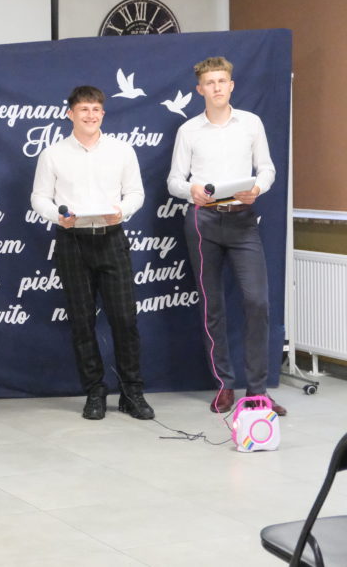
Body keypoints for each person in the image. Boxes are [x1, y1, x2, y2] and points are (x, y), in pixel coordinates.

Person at [167, 57, 284, 416]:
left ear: (231, 85)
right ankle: (224, 385)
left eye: (222, 81)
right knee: (212, 306)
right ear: (200, 89)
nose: (216, 87)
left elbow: (267, 168)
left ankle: (258, 391)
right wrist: (191, 190)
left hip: (242, 220)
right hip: (203, 221)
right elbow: (174, 181)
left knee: (257, 302)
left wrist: (258, 188)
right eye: (210, 82)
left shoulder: (251, 123)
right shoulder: (189, 130)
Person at [31, 85, 154, 420]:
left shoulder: (122, 151)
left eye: (96, 109)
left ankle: (132, 393)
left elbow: (136, 192)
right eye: (83, 109)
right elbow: (39, 197)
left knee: (125, 319)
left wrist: (122, 211)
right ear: (70, 113)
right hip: (72, 241)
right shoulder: (52, 154)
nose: (90, 115)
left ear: (103, 113)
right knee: (82, 321)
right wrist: (57, 215)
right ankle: (95, 392)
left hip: (111, 238)